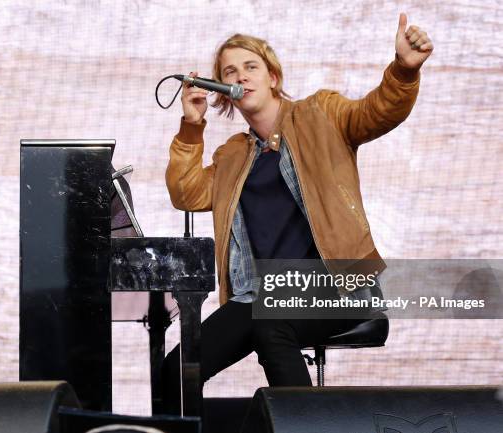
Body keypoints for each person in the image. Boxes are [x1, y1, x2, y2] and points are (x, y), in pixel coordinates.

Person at [162, 13, 433, 414]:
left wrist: (403, 70)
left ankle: (305, 425)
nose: (242, 75)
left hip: (338, 284)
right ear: (223, 89)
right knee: (177, 370)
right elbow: (186, 192)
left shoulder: (321, 113)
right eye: (230, 71)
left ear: (273, 77)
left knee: (273, 324)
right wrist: (191, 125)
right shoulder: (232, 155)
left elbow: (377, 112)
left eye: (251, 66)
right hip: (262, 294)